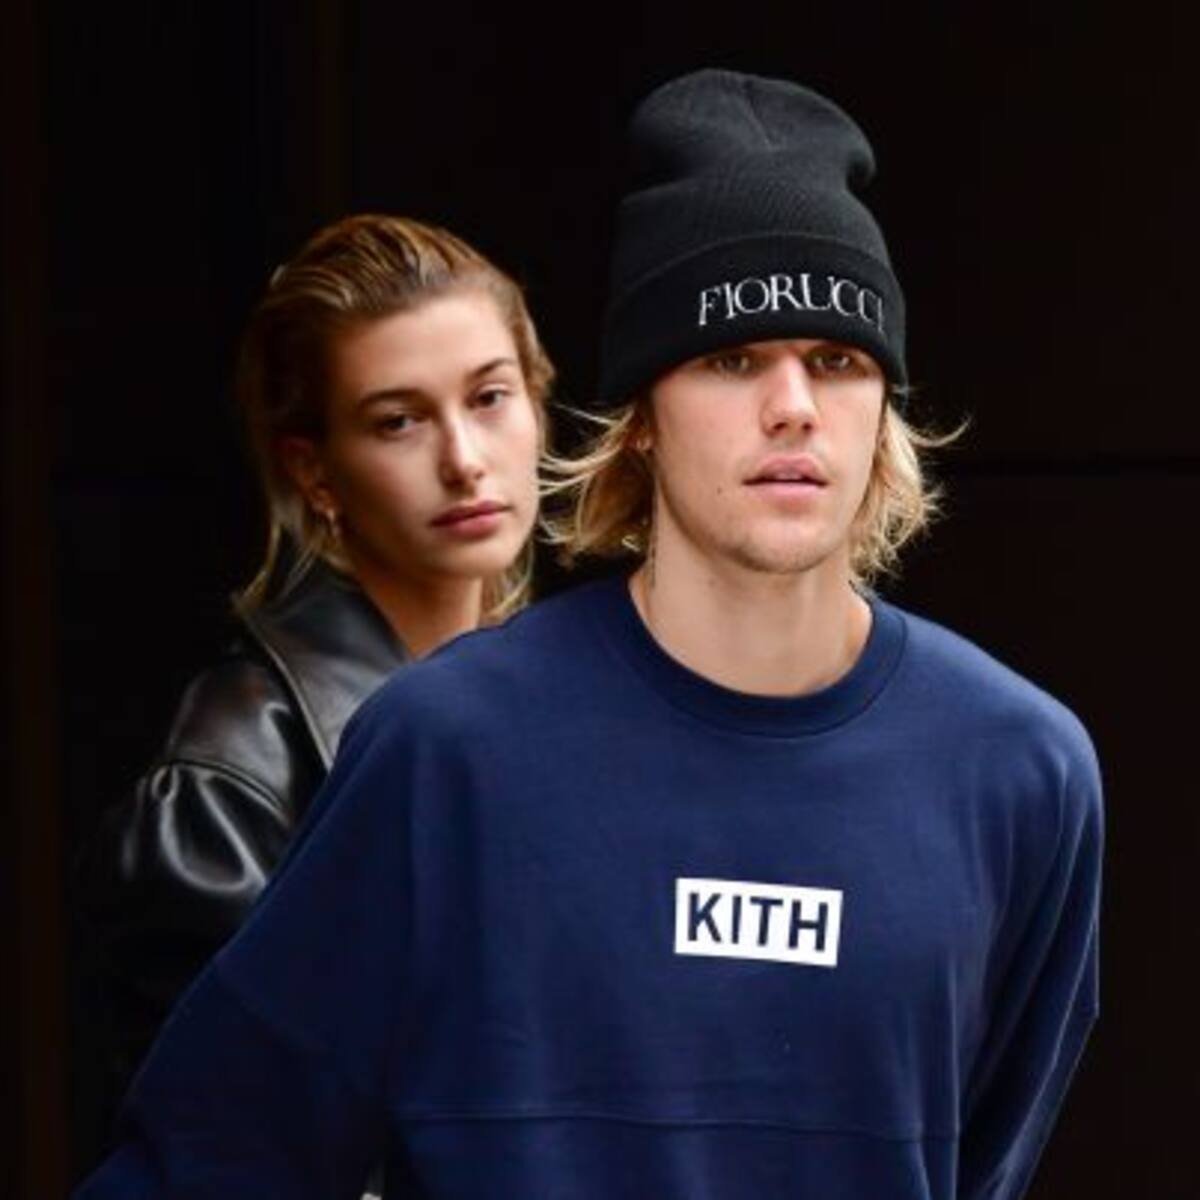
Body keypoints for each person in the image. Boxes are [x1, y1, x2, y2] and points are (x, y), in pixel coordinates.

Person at [76, 71, 1102, 1200]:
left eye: (839, 358)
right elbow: (212, 1157)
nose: (794, 405)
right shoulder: (447, 750)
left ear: (883, 406)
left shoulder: (1020, 772)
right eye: (731, 356)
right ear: (641, 417)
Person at [77, 212, 553, 1109]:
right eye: (398, 421)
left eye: (489, 398)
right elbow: (223, 1143)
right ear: (315, 473)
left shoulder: (578, 711)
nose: (464, 461)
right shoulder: (229, 786)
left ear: (536, 401)